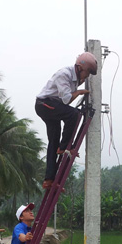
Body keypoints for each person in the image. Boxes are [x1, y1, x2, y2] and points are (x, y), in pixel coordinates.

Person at [35, 52, 98, 189]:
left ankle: (49, 179)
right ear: (80, 68)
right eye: (87, 73)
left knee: (53, 141)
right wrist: (79, 92)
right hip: (44, 104)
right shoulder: (64, 74)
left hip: (52, 106)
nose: (86, 77)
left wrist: (77, 91)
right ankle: (63, 147)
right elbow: (66, 100)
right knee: (73, 114)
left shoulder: (75, 78)